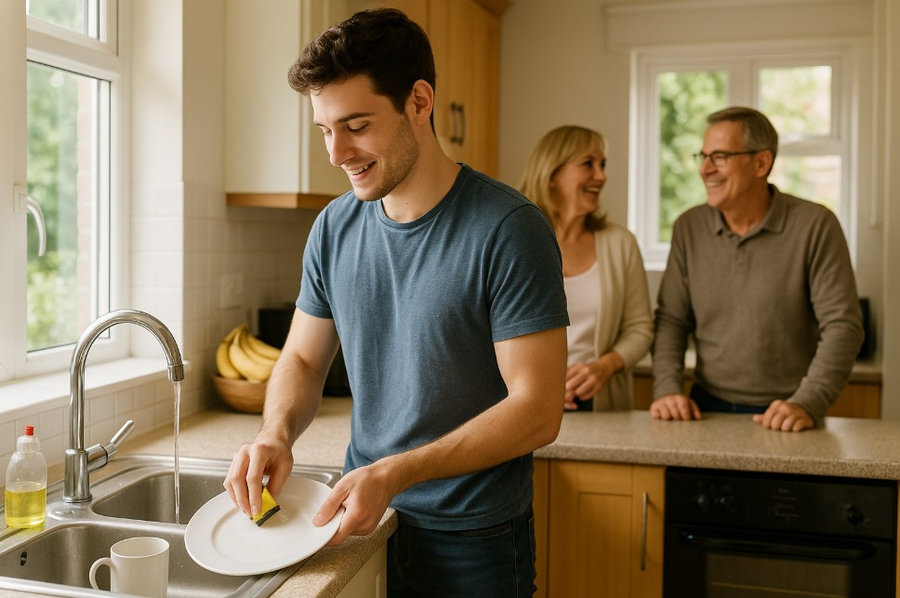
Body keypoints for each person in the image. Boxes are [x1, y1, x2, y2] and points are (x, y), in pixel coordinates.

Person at [222, 8, 570, 596]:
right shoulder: (333, 227)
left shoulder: (508, 228)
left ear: (420, 101)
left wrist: (397, 471)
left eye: (356, 125)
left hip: (474, 540)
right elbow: (304, 361)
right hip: (362, 520)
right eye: (325, 129)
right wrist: (276, 433)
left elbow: (538, 409)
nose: (337, 153)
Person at [650, 106, 864, 432]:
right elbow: (671, 321)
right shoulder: (688, 228)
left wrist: (807, 401)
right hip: (705, 410)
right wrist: (667, 390)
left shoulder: (816, 225)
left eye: (720, 156)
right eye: (703, 156)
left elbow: (843, 326)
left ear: (761, 163)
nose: (705, 169)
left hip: (790, 412)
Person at [519, 125, 653, 412]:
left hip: (600, 405)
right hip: (523, 404)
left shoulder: (621, 243)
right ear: (552, 174)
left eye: (602, 165)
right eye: (588, 164)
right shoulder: (513, 240)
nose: (601, 176)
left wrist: (604, 367)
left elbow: (640, 328)